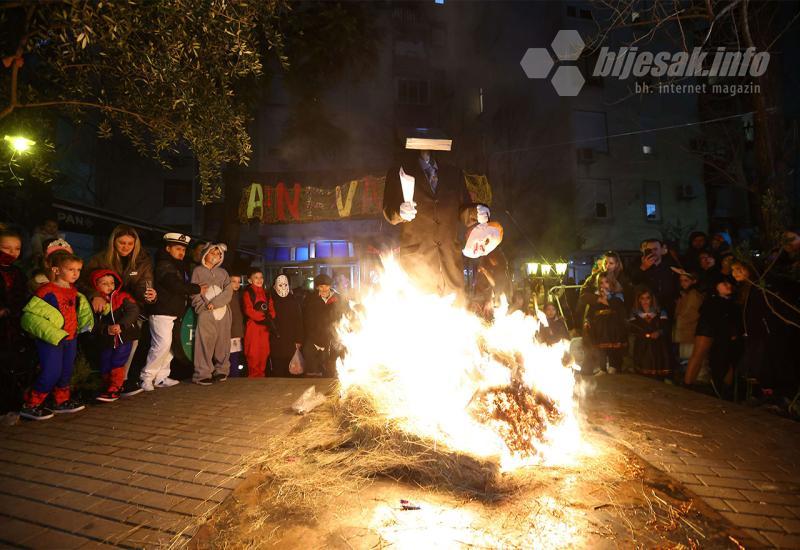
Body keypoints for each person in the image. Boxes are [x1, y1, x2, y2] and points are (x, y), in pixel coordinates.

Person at [382, 138, 488, 299]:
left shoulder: (453, 173)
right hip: (418, 263)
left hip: (450, 262)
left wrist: (476, 212)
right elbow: (389, 211)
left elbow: (462, 210)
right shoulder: (400, 172)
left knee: (456, 313)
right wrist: (400, 211)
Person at [80, 225, 156, 397]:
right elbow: (83, 281)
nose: (125, 247)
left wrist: (150, 295)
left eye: (130, 243)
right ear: (113, 242)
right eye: (122, 242)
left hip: (128, 308)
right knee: (106, 347)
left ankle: (120, 382)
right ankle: (105, 382)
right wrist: (95, 295)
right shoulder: (100, 259)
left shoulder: (142, 260)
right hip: (106, 310)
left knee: (129, 344)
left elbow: (145, 284)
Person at [19, 252, 93, 420]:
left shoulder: (73, 291)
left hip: (70, 337)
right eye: (71, 269)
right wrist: (51, 333)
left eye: (79, 270)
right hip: (51, 339)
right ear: (56, 270)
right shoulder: (46, 291)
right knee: (51, 372)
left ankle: (61, 401)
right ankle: (31, 405)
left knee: (66, 371)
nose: (76, 273)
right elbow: (30, 315)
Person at [141, 233, 205, 391]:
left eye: (183, 249)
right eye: (177, 248)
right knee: (161, 345)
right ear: (167, 248)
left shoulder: (178, 265)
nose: (181, 252)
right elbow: (174, 285)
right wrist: (197, 289)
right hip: (162, 311)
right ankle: (146, 377)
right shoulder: (164, 264)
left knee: (170, 346)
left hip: (173, 312)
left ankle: (161, 377)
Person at [89, 269, 140, 402]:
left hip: (124, 336)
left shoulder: (122, 296)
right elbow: (91, 323)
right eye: (104, 283)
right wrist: (105, 329)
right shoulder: (96, 302)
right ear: (96, 285)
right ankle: (109, 386)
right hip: (106, 339)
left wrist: (122, 325)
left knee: (118, 361)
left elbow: (133, 311)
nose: (109, 286)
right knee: (106, 361)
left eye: (112, 282)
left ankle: (115, 388)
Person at [685, 280, 742, 398]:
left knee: (728, 358)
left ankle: (725, 389)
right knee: (698, 355)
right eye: (724, 283)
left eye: (729, 283)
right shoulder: (711, 301)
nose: (728, 285)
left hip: (725, 332)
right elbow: (708, 315)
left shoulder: (733, 303)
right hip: (708, 329)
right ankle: (687, 385)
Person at [190, 243, 232, 385]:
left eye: (219, 254)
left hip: (223, 312)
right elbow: (194, 291)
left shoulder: (223, 273)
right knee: (204, 343)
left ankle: (221, 370)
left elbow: (228, 291)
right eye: (213, 253)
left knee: (223, 342)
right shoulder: (197, 271)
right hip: (206, 312)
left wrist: (218, 303)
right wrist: (201, 308)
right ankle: (202, 373)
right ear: (205, 253)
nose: (216, 256)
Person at [0, 228, 30, 416]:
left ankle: (12, 405)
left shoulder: (18, 272)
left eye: (17, 248)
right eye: (6, 248)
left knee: (11, 365)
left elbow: (22, 296)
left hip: (13, 325)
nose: (12, 252)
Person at [583, 272, 628, 374]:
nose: (603, 285)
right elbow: (590, 311)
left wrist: (607, 299)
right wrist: (588, 320)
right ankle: (602, 368)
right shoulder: (595, 297)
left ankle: (614, 366)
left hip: (613, 326)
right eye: (601, 283)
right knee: (601, 348)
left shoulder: (617, 295)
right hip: (599, 326)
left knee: (613, 348)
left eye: (606, 282)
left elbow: (618, 306)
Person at [302, 273, 344, 377]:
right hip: (314, 339)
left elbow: (344, 317)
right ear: (317, 287)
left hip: (333, 339)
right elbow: (307, 320)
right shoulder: (310, 299)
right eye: (321, 286)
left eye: (327, 286)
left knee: (332, 371)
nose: (324, 289)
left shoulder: (338, 299)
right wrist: (313, 338)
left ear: (330, 286)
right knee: (313, 371)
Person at [628, 287, 671, 378]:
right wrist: (643, 334)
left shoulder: (660, 311)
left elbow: (666, 326)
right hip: (642, 345)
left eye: (648, 298)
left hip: (658, 345)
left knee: (658, 372)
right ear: (639, 299)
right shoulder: (634, 313)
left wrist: (659, 332)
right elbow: (633, 328)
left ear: (652, 299)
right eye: (642, 298)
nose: (645, 301)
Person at [631, 239, 679, 318]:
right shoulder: (639, 265)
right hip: (648, 309)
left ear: (661, 250)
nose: (653, 252)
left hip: (667, 307)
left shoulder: (669, 265)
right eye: (649, 250)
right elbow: (634, 281)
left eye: (655, 249)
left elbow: (677, 282)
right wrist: (643, 268)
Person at [269, 274, 304, 377]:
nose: (283, 287)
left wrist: (299, 339)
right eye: (280, 285)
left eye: (285, 284)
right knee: (278, 368)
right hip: (276, 341)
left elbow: (299, 321)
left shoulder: (294, 301)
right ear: (274, 286)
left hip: (290, 340)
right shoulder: (271, 301)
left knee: (291, 369)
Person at [242, 268, 273, 377]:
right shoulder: (248, 293)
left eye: (261, 277)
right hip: (253, 327)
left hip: (264, 328)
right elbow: (248, 310)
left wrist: (270, 317)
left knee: (264, 352)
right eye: (256, 277)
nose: (259, 280)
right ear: (250, 280)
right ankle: (253, 380)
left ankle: (261, 378)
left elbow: (271, 309)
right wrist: (264, 318)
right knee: (253, 353)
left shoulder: (266, 294)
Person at [671, 268, 704, 366]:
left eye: (686, 280)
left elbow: (690, 313)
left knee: (690, 356)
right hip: (684, 331)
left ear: (694, 281)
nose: (683, 283)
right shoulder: (685, 294)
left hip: (689, 331)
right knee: (685, 357)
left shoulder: (694, 295)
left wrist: (679, 319)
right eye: (681, 280)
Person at [228, 274, 246, 377]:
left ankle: (235, 375)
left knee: (236, 355)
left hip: (237, 330)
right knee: (232, 356)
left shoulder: (238, 295)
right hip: (231, 331)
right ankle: (233, 376)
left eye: (238, 281)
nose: (237, 284)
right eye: (233, 281)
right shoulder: (228, 296)